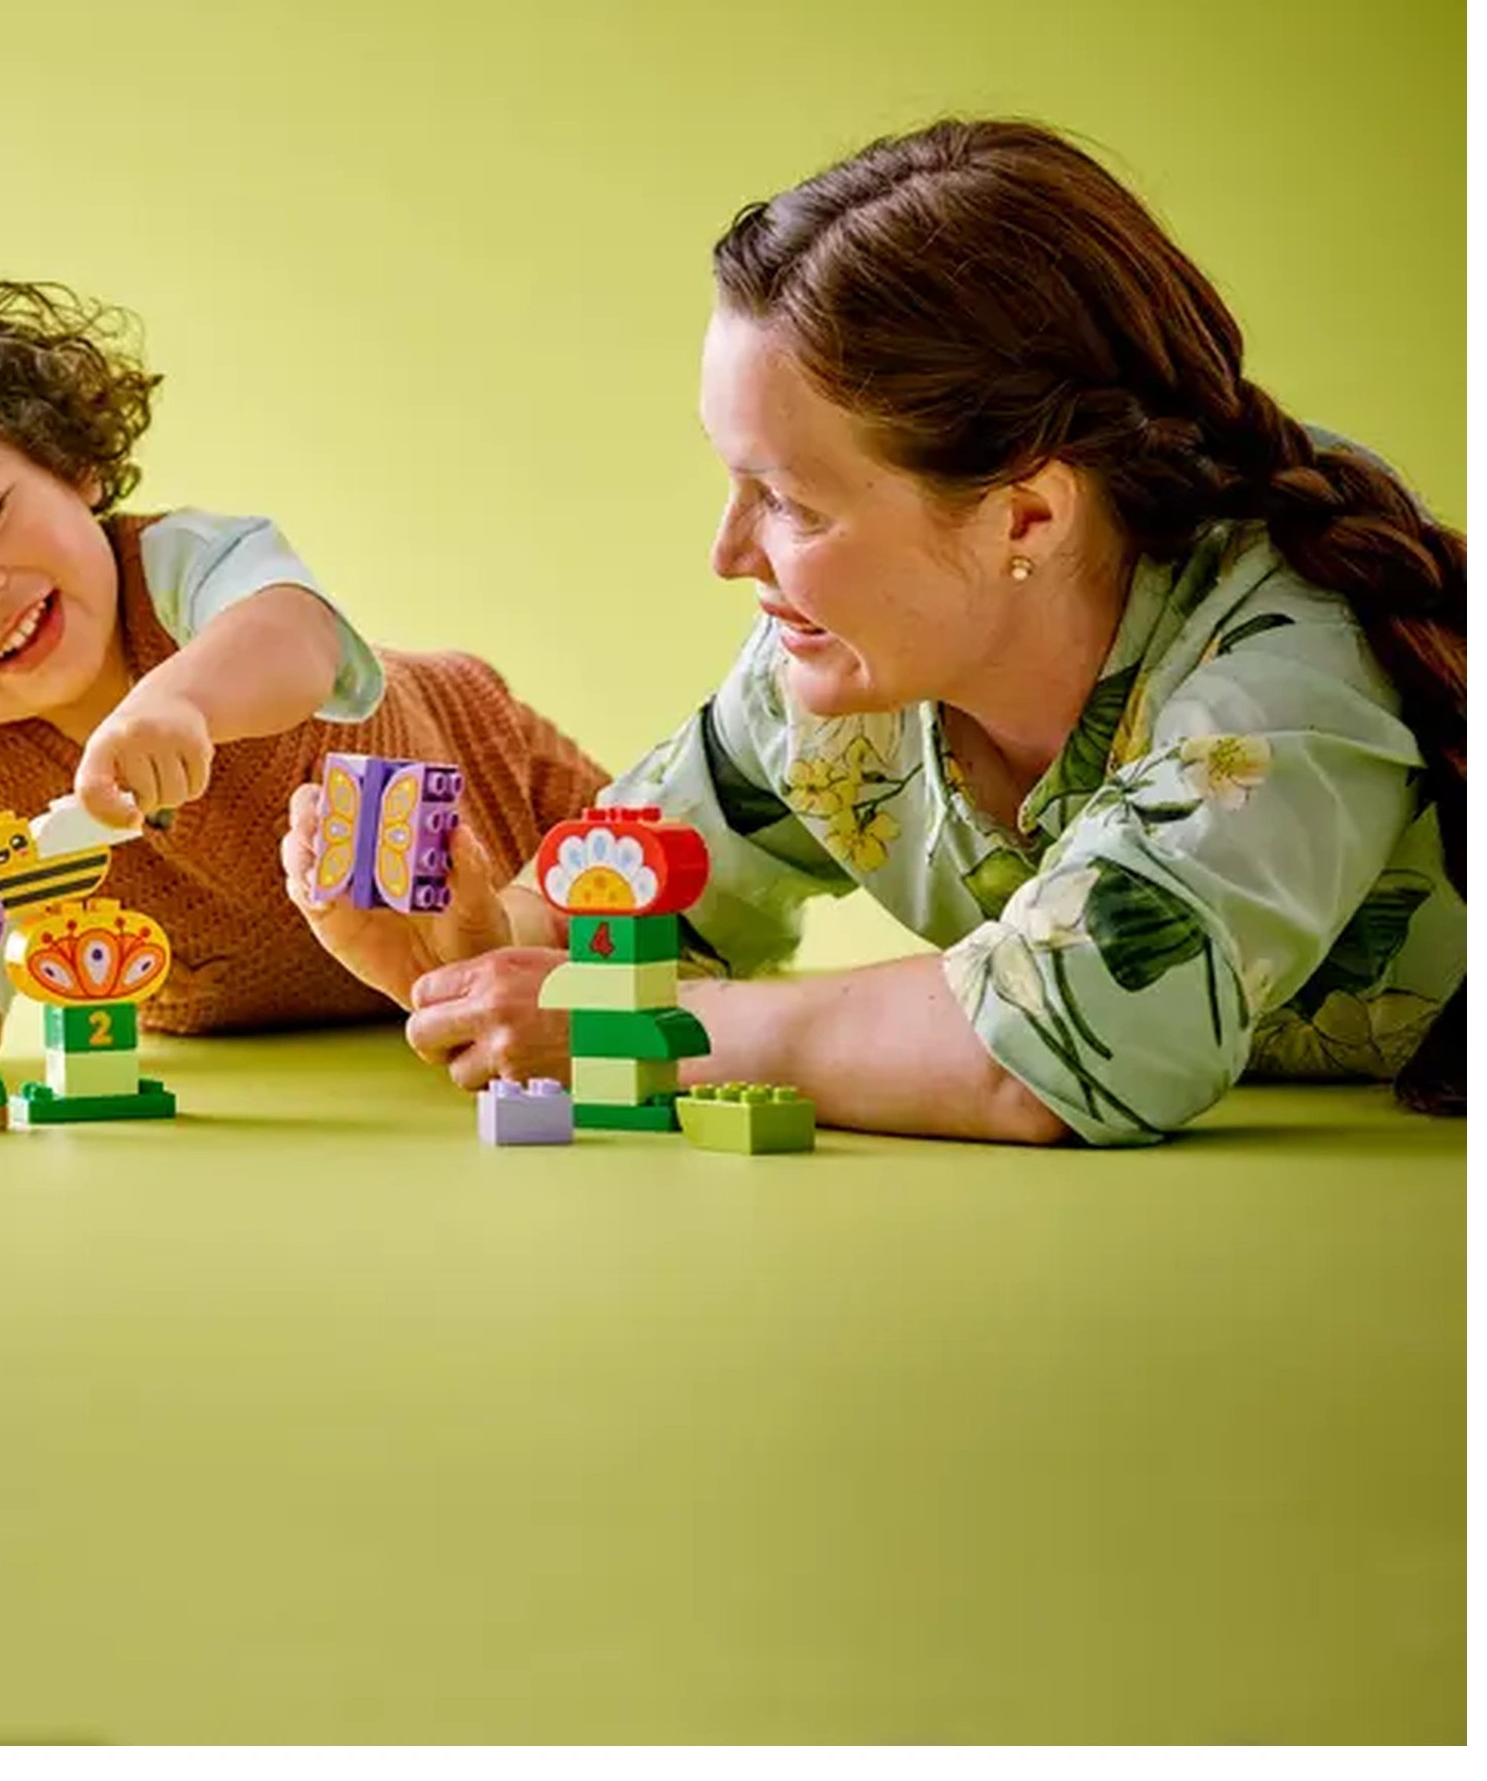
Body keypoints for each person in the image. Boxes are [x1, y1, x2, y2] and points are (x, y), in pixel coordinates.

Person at [284, 119, 1465, 1145]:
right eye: (734, 483)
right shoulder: (835, 675)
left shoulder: (1287, 661)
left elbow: (1058, 1045)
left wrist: (634, 1032)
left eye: (790, 501)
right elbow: (636, 914)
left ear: (1027, 513)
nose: (728, 553)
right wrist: (469, 949)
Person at [0, 281, 607, 1051]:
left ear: (69, 468)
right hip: (240, 1002)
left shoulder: (181, 567)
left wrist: (181, 702)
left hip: (489, 788)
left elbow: (299, 638)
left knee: (637, 898)